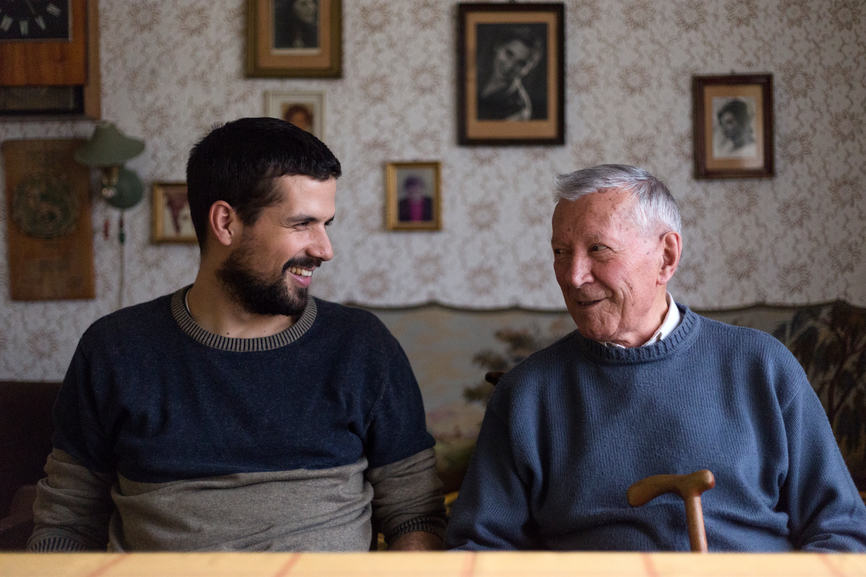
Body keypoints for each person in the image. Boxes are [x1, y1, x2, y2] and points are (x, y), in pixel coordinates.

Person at [27, 118, 445, 552]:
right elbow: (68, 522)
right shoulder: (116, 350)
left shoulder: (362, 346)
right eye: (302, 224)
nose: (324, 249)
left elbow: (416, 515)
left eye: (327, 224)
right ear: (225, 223)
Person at [446, 164, 866, 552]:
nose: (574, 275)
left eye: (598, 249)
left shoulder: (761, 366)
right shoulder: (526, 393)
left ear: (666, 256)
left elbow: (841, 530)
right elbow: (478, 548)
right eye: (560, 252)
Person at [477, 26, 543, 121]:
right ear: (498, 47)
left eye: (521, 63)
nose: (509, 66)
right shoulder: (476, 71)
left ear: (529, 69)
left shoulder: (518, 111)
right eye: (509, 54)